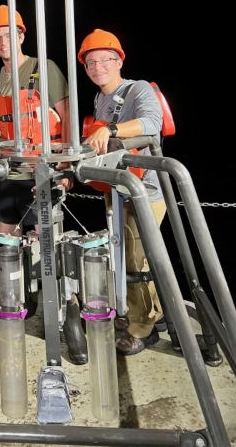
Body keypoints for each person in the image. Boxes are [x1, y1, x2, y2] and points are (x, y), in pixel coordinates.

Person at [78, 28, 167, 356]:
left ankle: (142, 329)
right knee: (125, 255)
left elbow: (151, 123)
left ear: (118, 61)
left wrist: (111, 129)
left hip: (142, 191)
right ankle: (148, 315)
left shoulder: (137, 88)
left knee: (136, 260)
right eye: (90, 63)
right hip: (115, 188)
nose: (98, 67)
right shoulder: (101, 98)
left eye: (104, 60)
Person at [0, 5, 72, 235]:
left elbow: (68, 116)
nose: (3, 42)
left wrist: (66, 167)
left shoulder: (44, 68)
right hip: (5, 173)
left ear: (21, 36)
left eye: (8, 35)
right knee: (7, 242)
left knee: (43, 247)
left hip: (40, 172)